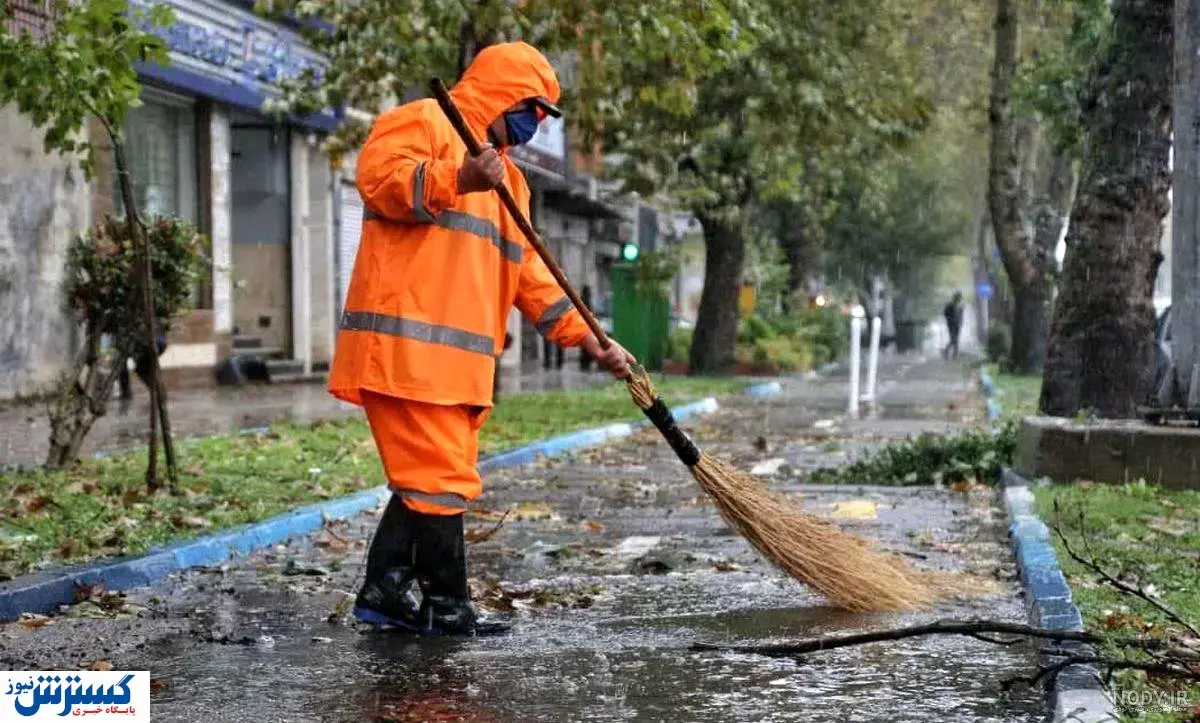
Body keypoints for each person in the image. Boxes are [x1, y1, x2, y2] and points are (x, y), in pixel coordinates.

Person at [328, 42, 635, 637]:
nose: (535, 124)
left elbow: (531, 274)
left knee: (431, 479)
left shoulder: (511, 183)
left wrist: (591, 338)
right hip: (404, 355)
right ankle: (448, 607)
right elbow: (379, 180)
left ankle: (385, 589)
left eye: (544, 115)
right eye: (532, 108)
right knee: (441, 482)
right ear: (503, 94)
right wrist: (458, 177)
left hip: (457, 370)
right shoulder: (423, 122)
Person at [943, 291, 964, 360]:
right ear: (955, 298)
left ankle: (954, 355)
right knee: (953, 339)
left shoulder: (960, 306)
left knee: (956, 340)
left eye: (960, 297)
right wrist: (950, 320)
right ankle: (947, 351)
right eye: (959, 297)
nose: (960, 299)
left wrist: (960, 323)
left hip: (957, 325)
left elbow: (961, 316)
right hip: (952, 325)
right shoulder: (950, 305)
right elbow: (946, 314)